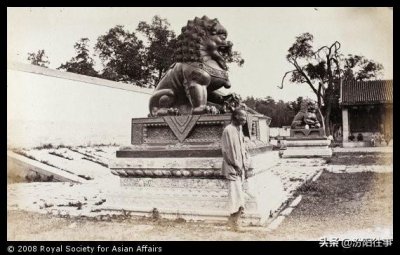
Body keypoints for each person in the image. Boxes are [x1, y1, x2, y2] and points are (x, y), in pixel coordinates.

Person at [221, 108, 250, 231]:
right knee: (235, 196)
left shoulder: (239, 130)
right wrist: (237, 166)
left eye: (245, 116)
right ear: (236, 116)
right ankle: (235, 223)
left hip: (240, 169)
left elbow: (243, 150)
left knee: (240, 195)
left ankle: (233, 221)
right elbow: (228, 152)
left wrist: (245, 166)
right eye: (242, 116)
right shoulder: (228, 130)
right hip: (233, 169)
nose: (245, 119)